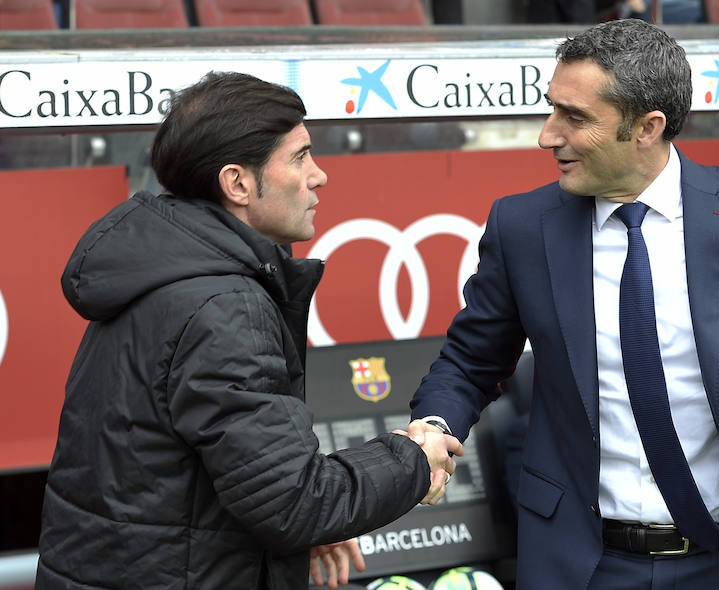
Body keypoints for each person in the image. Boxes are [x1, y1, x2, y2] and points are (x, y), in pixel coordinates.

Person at [408, 19, 719, 590]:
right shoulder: (522, 226)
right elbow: (469, 362)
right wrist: (432, 427)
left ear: (648, 127)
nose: (547, 135)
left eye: (574, 118)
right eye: (551, 108)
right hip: (583, 564)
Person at [36, 72, 463, 590]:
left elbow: (194, 484)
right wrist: (413, 459)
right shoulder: (224, 307)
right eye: (300, 157)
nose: (319, 175)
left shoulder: (167, 272)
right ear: (237, 182)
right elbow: (295, 501)